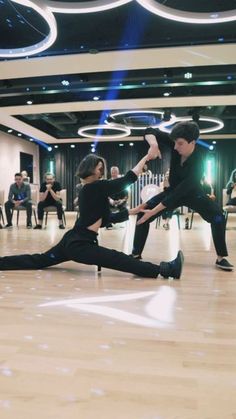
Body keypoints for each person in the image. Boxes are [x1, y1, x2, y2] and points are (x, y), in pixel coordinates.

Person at [0, 141, 184, 280]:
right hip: (79, 245)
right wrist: (146, 158)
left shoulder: (92, 189)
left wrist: (131, 211)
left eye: (102, 169)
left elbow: (105, 219)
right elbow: (127, 179)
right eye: (99, 168)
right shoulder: (94, 187)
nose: (101, 171)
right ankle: (166, 269)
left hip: (74, 240)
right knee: (119, 259)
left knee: (39, 260)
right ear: (90, 169)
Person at [130, 122, 233, 272]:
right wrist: (153, 145)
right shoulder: (175, 142)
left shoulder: (200, 159)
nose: (175, 147)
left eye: (180, 144)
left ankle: (221, 257)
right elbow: (149, 130)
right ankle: (135, 254)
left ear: (192, 142)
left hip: (193, 193)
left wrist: (155, 211)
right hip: (172, 190)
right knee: (142, 214)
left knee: (218, 216)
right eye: (175, 143)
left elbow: (182, 191)